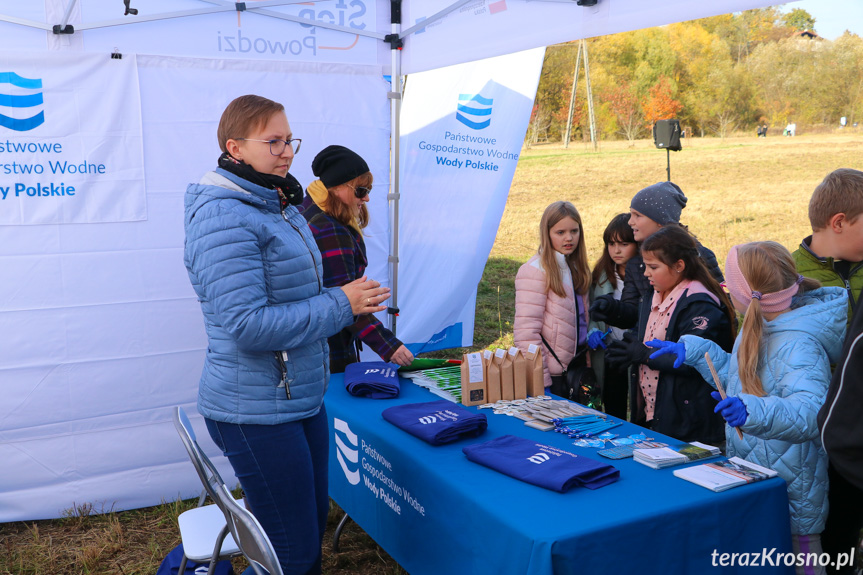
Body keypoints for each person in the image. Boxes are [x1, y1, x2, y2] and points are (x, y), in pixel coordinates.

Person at [183, 95, 390, 575]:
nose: (286, 151)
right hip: (255, 410)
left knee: (305, 530)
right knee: (291, 553)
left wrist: (343, 303)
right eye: (272, 141)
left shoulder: (277, 200)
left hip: (297, 396)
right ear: (235, 147)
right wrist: (344, 304)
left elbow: (297, 292)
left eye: (289, 139)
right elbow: (247, 325)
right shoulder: (225, 216)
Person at [649, 242, 847, 575]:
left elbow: (813, 413)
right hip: (754, 473)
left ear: (748, 292)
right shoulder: (760, 322)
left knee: (803, 563)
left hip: (794, 487)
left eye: (730, 282)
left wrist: (751, 411)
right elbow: (742, 383)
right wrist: (699, 352)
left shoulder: (800, 343)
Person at [604, 225, 734, 443]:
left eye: (653, 267)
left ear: (679, 266)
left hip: (690, 424)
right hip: (656, 415)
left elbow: (695, 358)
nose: (646, 273)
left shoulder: (700, 304)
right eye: (645, 266)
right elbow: (646, 333)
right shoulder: (652, 294)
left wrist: (644, 355)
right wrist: (627, 348)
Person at [795, 168, 863, 573]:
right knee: (832, 531)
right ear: (839, 222)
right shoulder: (791, 270)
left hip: (849, 428)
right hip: (820, 428)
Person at [299, 145, 414, 373]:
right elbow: (347, 302)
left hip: (307, 343)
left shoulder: (305, 211)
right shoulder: (330, 230)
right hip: (329, 348)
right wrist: (390, 347)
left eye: (368, 189)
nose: (367, 198)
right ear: (337, 187)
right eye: (361, 190)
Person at [590, 181, 724, 333]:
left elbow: (722, 306)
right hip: (651, 350)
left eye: (637, 215)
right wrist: (613, 309)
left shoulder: (698, 256)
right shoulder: (636, 264)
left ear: (661, 221)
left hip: (690, 348)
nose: (630, 221)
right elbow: (635, 313)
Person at [514, 201, 591, 391]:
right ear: (547, 233)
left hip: (577, 369)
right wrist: (541, 380)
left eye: (574, 231)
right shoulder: (534, 271)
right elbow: (526, 333)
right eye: (560, 232)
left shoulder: (577, 267)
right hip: (554, 376)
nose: (569, 238)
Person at [586, 213, 638, 419]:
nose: (616, 250)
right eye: (611, 243)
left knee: (639, 404)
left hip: (636, 351)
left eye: (624, 244)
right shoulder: (601, 274)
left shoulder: (647, 275)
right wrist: (592, 331)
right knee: (613, 402)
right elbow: (591, 311)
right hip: (610, 350)